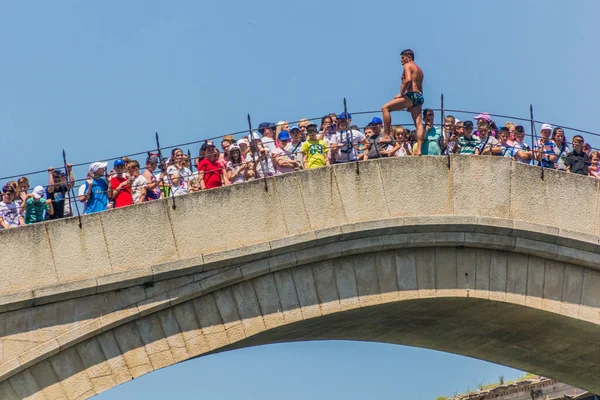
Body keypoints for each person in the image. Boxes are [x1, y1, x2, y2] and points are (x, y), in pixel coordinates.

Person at [381, 49, 425, 155]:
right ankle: (419, 148)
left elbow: (408, 80)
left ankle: (386, 135)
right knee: (419, 124)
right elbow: (419, 87)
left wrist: (401, 93)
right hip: (419, 96)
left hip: (411, 94)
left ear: (409, 57)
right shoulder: (420, 70)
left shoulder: (408, 65)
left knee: (385, 108)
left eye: (402, 57)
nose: (401, 60)